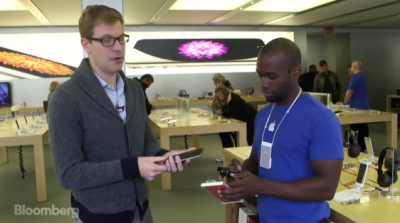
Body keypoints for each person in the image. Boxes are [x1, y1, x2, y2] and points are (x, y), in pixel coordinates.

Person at [47, 5, 194, 223]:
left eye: (121, 38)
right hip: (97, 214)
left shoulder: (134, 89)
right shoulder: (65, 98)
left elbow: (144, 141)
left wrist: (163, 156)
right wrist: (133, 167)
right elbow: (69, 174)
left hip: (141, 207)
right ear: (86, 44)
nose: (118, 48)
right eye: (107, 40)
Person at [219, 38, 344, 223]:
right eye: (260, 75)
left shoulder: (321, 118)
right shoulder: (263, 115)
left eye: (272, 76)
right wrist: (240, 173)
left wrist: (261, 186)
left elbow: (327, 187)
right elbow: (256, 160)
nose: (264, 83)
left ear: (295, 72)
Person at [214, 84, 257, 159]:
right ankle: (234, 156)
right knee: (229, 134)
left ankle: (248, 160)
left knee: (247, 141)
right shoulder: (229, 99)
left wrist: (221, 110)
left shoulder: (235, 99)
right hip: (244, 121)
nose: (219, 98)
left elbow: (231, 112)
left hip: (251, 120)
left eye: (219, 96)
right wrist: (219, 108)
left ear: (224, 93)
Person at [337, 61, 369, 152]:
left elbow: (349, 91)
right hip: (365, 107)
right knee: (363, 128)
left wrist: (344, 103)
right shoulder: (364, 77)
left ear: (354, 67)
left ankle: (354, 147)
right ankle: (363, 147)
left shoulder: (354, 77)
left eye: (351, 67)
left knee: (355, 129)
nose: (350, 69)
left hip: (356, 109)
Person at [208, 73, 241, 162]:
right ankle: (227, 154)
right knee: (224, 136)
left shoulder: (228, 90)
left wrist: (219, 106)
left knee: (228, 136)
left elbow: (228, 103)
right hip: (224, 117)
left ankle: (232, 155)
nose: (214, 84)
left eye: (215, 82)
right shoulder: (222, 88)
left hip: (229, 117)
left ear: (219, 81)